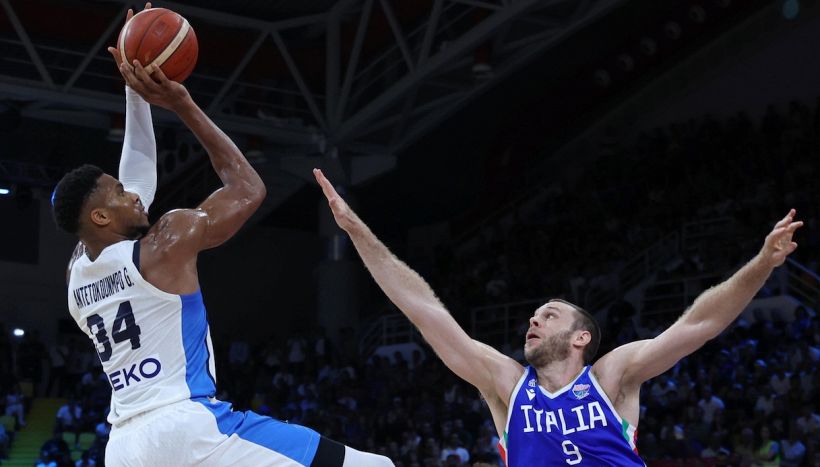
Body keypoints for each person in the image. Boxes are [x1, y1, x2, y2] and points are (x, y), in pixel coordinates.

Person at [51, 9, 392, 467]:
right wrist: (182, 104)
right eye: (119, 193)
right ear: (99, 216)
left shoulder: (77, 276)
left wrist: (135, 92)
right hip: (187, 426)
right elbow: (247, 189)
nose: (132, 194)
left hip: (124, 448)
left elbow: (137, 184)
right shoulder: (167, 242)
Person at [313, 168, 803, 466]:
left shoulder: (612, 377)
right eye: (533, 316)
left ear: (580, 337)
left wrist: (762, 263)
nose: (533, 322)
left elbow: (699, 324)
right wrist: (357, 232)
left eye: (548, 316)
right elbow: (423, 310)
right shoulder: (506, 385)